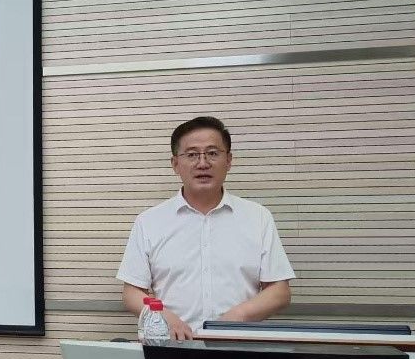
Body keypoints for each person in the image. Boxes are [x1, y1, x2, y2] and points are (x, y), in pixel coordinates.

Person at [117, 116, 295, 340]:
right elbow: (132, 292)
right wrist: (162, 316)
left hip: (240, 346)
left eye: (212, 153)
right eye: (192, 155)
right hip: (173, 348)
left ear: (228, 160)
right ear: (175, 164)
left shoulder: (258, 217)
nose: (203, 163)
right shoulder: (149, 221)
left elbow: (279, 291)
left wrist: (237, 317)